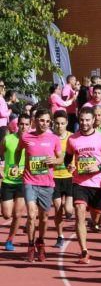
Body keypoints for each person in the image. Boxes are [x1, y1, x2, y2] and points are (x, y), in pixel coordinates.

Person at [65, 107, 101, 264]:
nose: (84, 123)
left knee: (97, 217)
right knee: (79, 211)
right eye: (82, 120)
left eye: (87, 120)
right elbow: (67, 159)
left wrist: (98, 167)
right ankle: (84, 251)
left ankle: (95, 221)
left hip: (98, 184)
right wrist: (70, 166)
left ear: (93, 120)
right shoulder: (73, 139)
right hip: (80, 182)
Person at [14, 108, 64, 262]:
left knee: (44, 217)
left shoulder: (54, 138)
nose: (45, 123)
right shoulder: (26, 136)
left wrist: (54, 161)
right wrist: (16, 164)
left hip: (47, 183)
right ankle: (30, 245)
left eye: (48, 121)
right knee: (31, 214)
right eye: (42, 120)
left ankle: (40, 242)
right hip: (29, 181)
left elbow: (61, 157)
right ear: (35, 120)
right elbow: (18, 151)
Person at [0, 114, 30, 252]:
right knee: (6, 214)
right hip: (7, 181)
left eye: (26, 124)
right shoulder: (8, 139)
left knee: (17, 214)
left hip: (23, 182)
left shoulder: (31, 140)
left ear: (30, 125)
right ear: (17, 125)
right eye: (21, 124)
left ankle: (10, 240)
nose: (23, 127)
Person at [51, 112, 74, 248]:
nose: (59, 126)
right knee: (58, 209)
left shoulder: (72, 137)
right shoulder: (50, 138)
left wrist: (74, 165)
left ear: (66, 123)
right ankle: (60, 236)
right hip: (54, 178)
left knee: (69, 210)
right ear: (54, 123)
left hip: (69, 177)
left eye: (62, 123)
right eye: (57, 123)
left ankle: (70, 212)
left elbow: (77, 154)